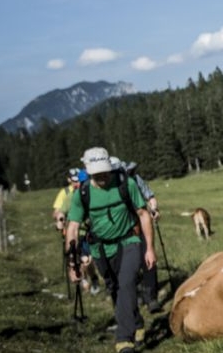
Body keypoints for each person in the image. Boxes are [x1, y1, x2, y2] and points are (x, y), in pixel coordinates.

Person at [64, 147, 156, 353]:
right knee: (115, 289)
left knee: (127, 282)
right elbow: (73, 227)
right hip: (101, 249)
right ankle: (137, 323)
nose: (102, 176)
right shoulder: (83, 194)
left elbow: (143, 214)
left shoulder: (126, 184)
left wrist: (149, 248)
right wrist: (73, 263)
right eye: (97, 173)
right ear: (88, 171)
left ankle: (124, 340)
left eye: (104, 171)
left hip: (129, 241)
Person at [110, 156, 162, 314]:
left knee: (149, 260)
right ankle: (136, 293)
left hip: (141, 226)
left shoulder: (134, 179)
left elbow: (150, 196)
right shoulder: (107, 188)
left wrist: (153, 209)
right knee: (127, 264)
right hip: (121, 231)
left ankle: (151, 298)